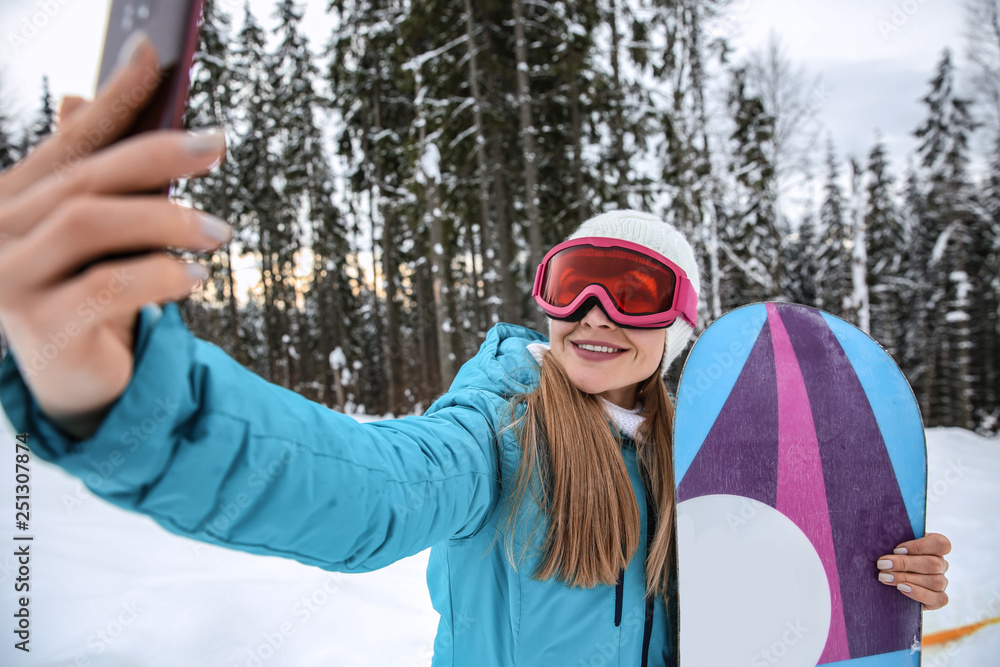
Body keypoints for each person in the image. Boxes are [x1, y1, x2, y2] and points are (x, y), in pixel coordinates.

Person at [0, 36, 950, 665]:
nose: (592, 312)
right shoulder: (496, 435)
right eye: (571, 279)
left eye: (634, 290)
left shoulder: (707, 455)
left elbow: (772, 604)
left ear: (681, 326)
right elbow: (362, 487)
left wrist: (879, 574)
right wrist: (130, 399)